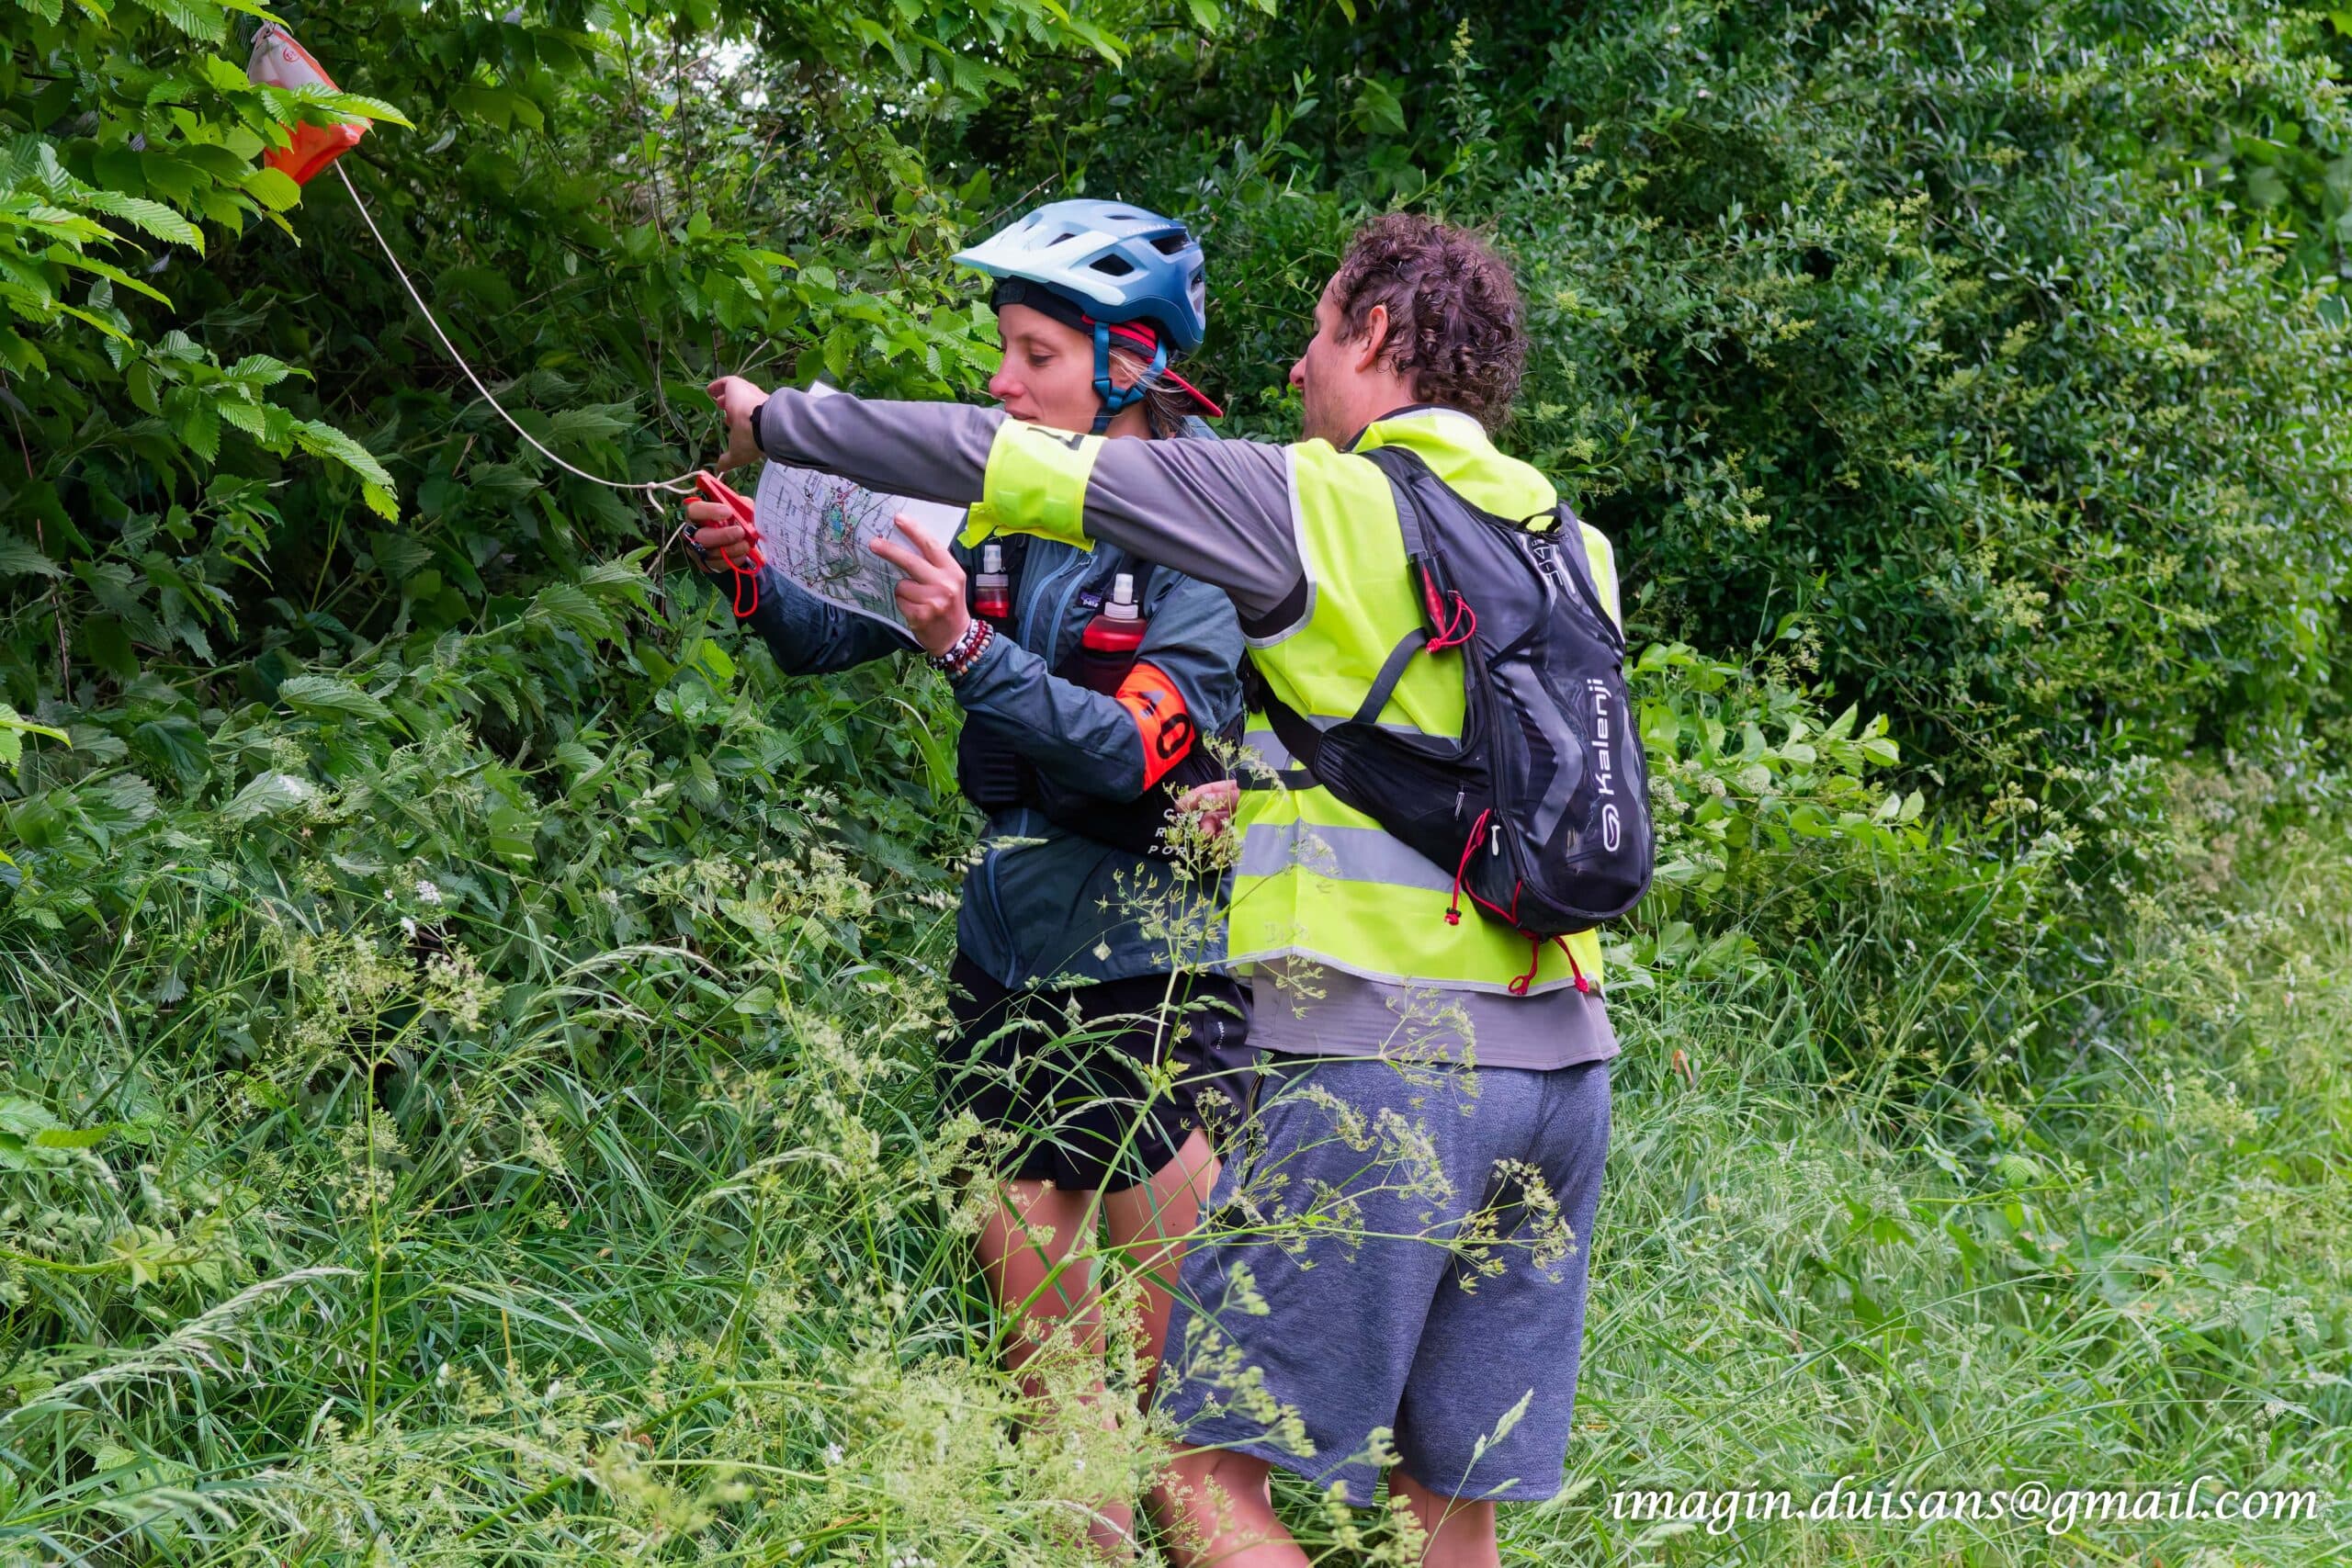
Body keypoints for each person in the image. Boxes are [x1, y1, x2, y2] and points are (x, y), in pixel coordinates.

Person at [703, 212, 1624, 1568]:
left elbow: (1114, 703)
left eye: (1320, 329)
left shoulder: (1285, 502)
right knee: (1417, 1497)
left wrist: (785, 423)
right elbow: (1458, 764)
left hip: (1295, 1022)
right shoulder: (1561, 538)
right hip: (1549, 1054)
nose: (1296, 367)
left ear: (1374, 333)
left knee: (1192, 1468)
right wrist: (761, 575)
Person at [684, 200, 1252, 1557]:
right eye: (1002, 348)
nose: (1001, 381)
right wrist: (756, 575)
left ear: (1129, 364)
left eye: (1035, 355)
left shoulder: (1209, 529)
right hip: (1000, 964)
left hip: (1152, 973)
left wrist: (966, 653)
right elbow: (835, 636)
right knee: (1055, 1409)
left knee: (1182, 1441)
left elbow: (1130, 751)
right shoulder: (995, 499)